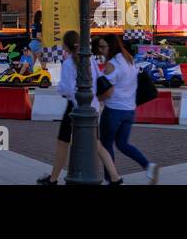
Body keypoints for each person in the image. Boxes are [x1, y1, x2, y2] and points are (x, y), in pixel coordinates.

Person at [36, 31, 122, 185]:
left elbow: (66, 89)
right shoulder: (90, 59)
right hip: (92, 105)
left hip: (74, 107)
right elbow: (98, 78)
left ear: (66, 46)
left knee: (62, 143)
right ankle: (115, 178)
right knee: (96, 143)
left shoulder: (69, 63)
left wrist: (62, 91)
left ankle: (53, 178)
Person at [98, 34, 160, 184]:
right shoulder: (129, 60)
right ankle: (148, 166)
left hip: (113, 111)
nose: (100, 50)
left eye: (103, 47)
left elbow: (107, 91)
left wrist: (97, 98)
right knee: (122, 144)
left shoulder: (112, 65)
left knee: (106, 146)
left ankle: (111, 179)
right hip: (129, 111)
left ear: (111, 47)